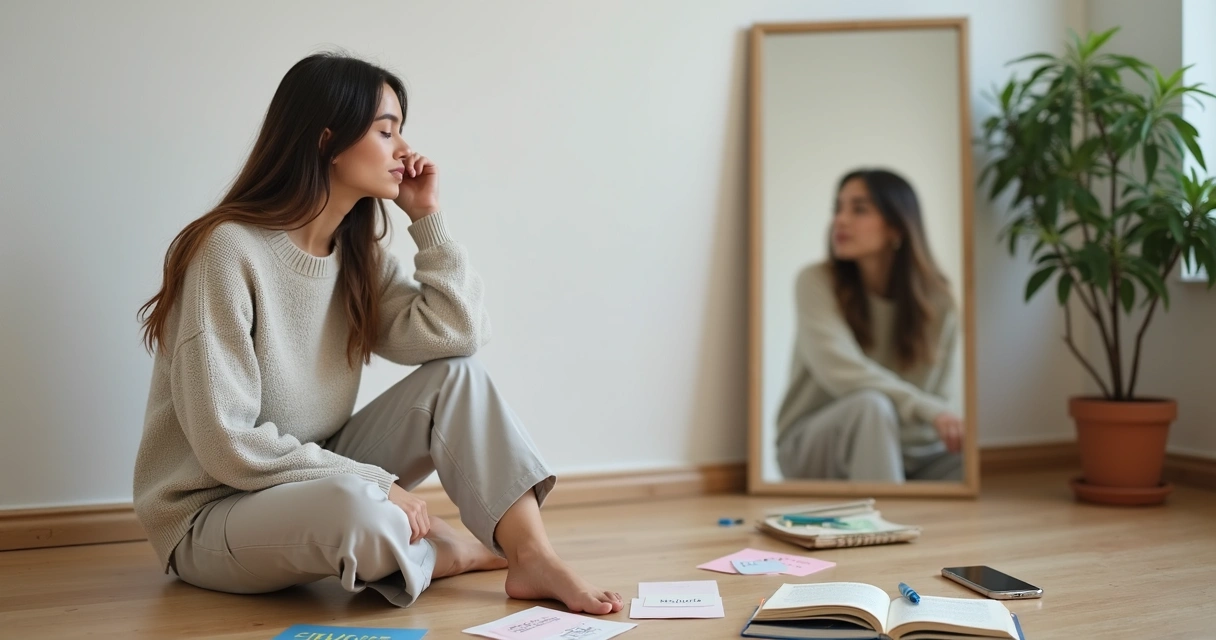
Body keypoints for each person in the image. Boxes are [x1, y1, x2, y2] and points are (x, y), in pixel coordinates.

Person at [132, 52, 623, 613]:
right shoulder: (227, 250)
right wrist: (372, 482)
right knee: (357, 509)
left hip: (311, 470)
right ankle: (449, 553)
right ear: (326, 142)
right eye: (386, 131)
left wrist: (427, 219)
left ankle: (533, 557)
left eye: (400, 132)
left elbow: (457, 335)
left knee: (456, 378)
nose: (404, 151)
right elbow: (227, 446)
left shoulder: (357, 254)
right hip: (211, 511)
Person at [775, 169, 963, 482]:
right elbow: (841, 369)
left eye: (858, 209)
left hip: (904, 449)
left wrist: (945, 425)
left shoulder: (940, 302)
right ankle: (882, 528)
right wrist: (927, 410)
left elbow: (941, 399)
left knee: (970, 458)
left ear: (895, 226)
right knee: (870, 407)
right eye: (838, 208)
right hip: (813, 446)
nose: (841, 220)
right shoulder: (816, 282)